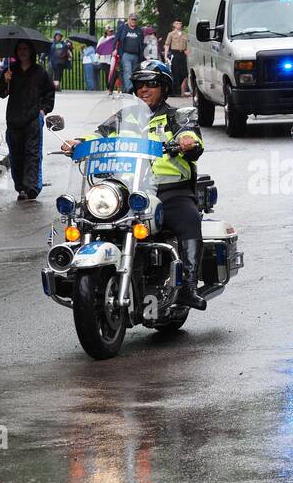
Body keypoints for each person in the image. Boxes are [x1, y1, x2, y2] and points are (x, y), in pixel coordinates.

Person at [60, 61, 208, 310]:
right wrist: (78, 142)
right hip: (127, 191)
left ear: (163, 87)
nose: (144, 90)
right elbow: (99, 136)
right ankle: (78, 273)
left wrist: (186, 141)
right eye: (140, 85)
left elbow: (192, 136)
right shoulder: (124, 117)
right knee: (85, 216)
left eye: (151, 84)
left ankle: (188, 287)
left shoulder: (176, 116)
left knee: (189, 219)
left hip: (169, 192)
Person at [0, 41, 55, 201]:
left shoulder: (40, 72)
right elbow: (1, 93)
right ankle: (21, 188)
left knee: (32, 153)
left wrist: (43, 111)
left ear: (31, 51)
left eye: (26, 49)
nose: (23, 52)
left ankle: (32, 187)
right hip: (14, 119)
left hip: (33, 119)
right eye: (20, 49)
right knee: (16, 155)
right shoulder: (10, 70)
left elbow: (49, 93)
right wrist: (4, 80)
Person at [115, 14, 146, 92]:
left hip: (136, 55)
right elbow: (116, 40)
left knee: (134, 73)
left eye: (135, 19)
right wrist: (114, 50)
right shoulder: (123, 29)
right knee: (127, 72)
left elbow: (142, 43)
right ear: (128, 20)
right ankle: (129, 89)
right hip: (126, 54)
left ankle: (130, 89)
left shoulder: (139, 30)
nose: (133, 21)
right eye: (132, 19)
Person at [163, 20, 190, 96]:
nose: (179, 25)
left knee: (184, 72)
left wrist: (188, 54)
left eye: (180, 23)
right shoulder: (171, 34)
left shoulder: (185, 34)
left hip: (183, 54)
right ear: (174, 24)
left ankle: (179, 90)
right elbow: (167, 45)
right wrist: (165, 56)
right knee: (175, 72)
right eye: (177, 23)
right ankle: (175, 91)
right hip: (175, 53)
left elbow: (188, 46)